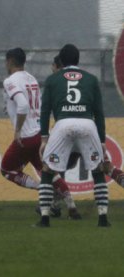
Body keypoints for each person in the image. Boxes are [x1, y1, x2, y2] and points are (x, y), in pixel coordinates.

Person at [1, 47, 81, 219]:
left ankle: (42, 189)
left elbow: (22, 105)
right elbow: (30, 104)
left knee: (7, 169)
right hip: (40, 133)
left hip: (26, 136)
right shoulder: (31, 79)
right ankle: (70, 203)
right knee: (48, 171)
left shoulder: (9, 81)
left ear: (9, 61)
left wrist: (17, 130)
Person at [37, 44, 110, 227]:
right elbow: (99, 113)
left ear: (60, 61)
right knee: (98, 170)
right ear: (78, 60)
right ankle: (103, 218)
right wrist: (102, 141)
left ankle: (45, 218)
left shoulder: (53, 79)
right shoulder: (91, 79)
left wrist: (44, 138)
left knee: (47, 170)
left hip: (63, 125)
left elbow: (44, 110)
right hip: (87, 124)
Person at [53, 54, 124, 187]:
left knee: (55, 165)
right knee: (106, 166)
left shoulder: (57, 85)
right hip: (87, 132)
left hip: (69, 133)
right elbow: (96, 110)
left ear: (59, 67)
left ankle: (54, 200)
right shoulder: (86, 81)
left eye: (53, 67)